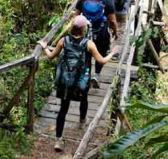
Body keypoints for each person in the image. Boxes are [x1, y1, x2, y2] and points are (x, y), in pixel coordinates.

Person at [39, 16, 120, 152]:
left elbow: (51, 56)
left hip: (65, 80)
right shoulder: (89, 44)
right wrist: (112, 53)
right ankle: (82, 120)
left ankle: (58, 140)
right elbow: (101, 61)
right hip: (81, 80)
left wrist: (45, 47)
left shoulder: (63, 41)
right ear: (84, 29)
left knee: (63, 109)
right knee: (84, 98)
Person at [74, 0, 119, 89]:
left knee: (87, 52)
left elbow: (76, 15)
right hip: (101, 31)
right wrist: (115, 31)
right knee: (102, 51)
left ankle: (86, 75)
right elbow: (113, 20)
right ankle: (97, 75)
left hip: (85, 31)